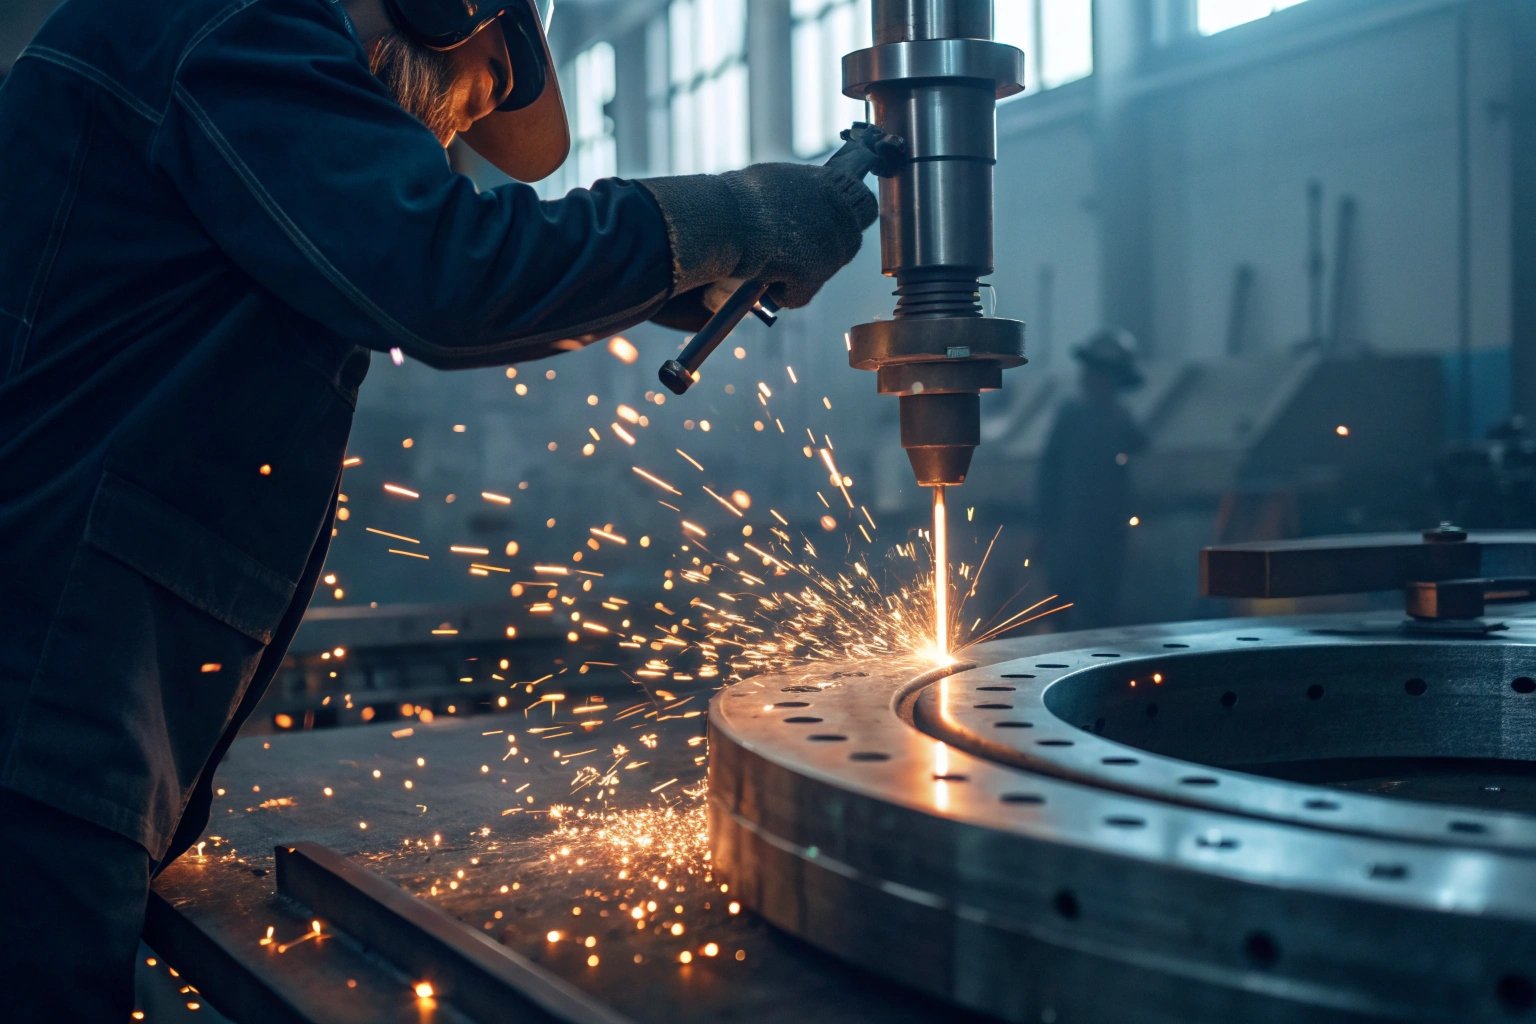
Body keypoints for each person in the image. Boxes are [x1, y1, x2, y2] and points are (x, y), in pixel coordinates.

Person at [0, 0, 877, 1017]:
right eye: (483, 90)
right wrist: (725, 216)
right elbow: (439, 274)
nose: (456, 134)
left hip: (63, 681)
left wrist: (663, 276)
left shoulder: (216, 64)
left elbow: (422, 261)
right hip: (41, 683)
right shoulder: (235, 23)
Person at [1036, 329, 1149, 629]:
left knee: (1102, 610)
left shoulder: (1121, 420)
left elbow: (1133, 466)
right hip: (1070, 531)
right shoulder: (1071, 417)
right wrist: (1044, 529)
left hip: (1107, 534)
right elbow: (1049, 476)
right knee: (1061, 608)